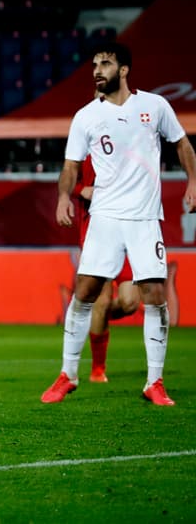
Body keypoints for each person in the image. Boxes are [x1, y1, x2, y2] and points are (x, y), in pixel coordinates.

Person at [42, 42, 196, 406]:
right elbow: (71, 166)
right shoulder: (86, 116)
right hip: (105, 217)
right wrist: (64, 197)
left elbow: (182, 144)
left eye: (106, 63)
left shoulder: (154, 106)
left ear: (123, 70)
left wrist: (193, 181)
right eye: (95, 64)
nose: (98, 70)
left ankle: (154, 382)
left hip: (144, 218)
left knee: (154, 296)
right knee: (85, 292)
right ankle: (68, 374)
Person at [71, 157, 141, 383]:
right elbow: (66, 179)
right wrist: (81, 190)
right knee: (101, 301)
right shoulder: (86, 149)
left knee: (130, 303)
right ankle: (98, 369)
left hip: (127, 230)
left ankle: (97, 317)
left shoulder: (129, 148)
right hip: (96, 233)